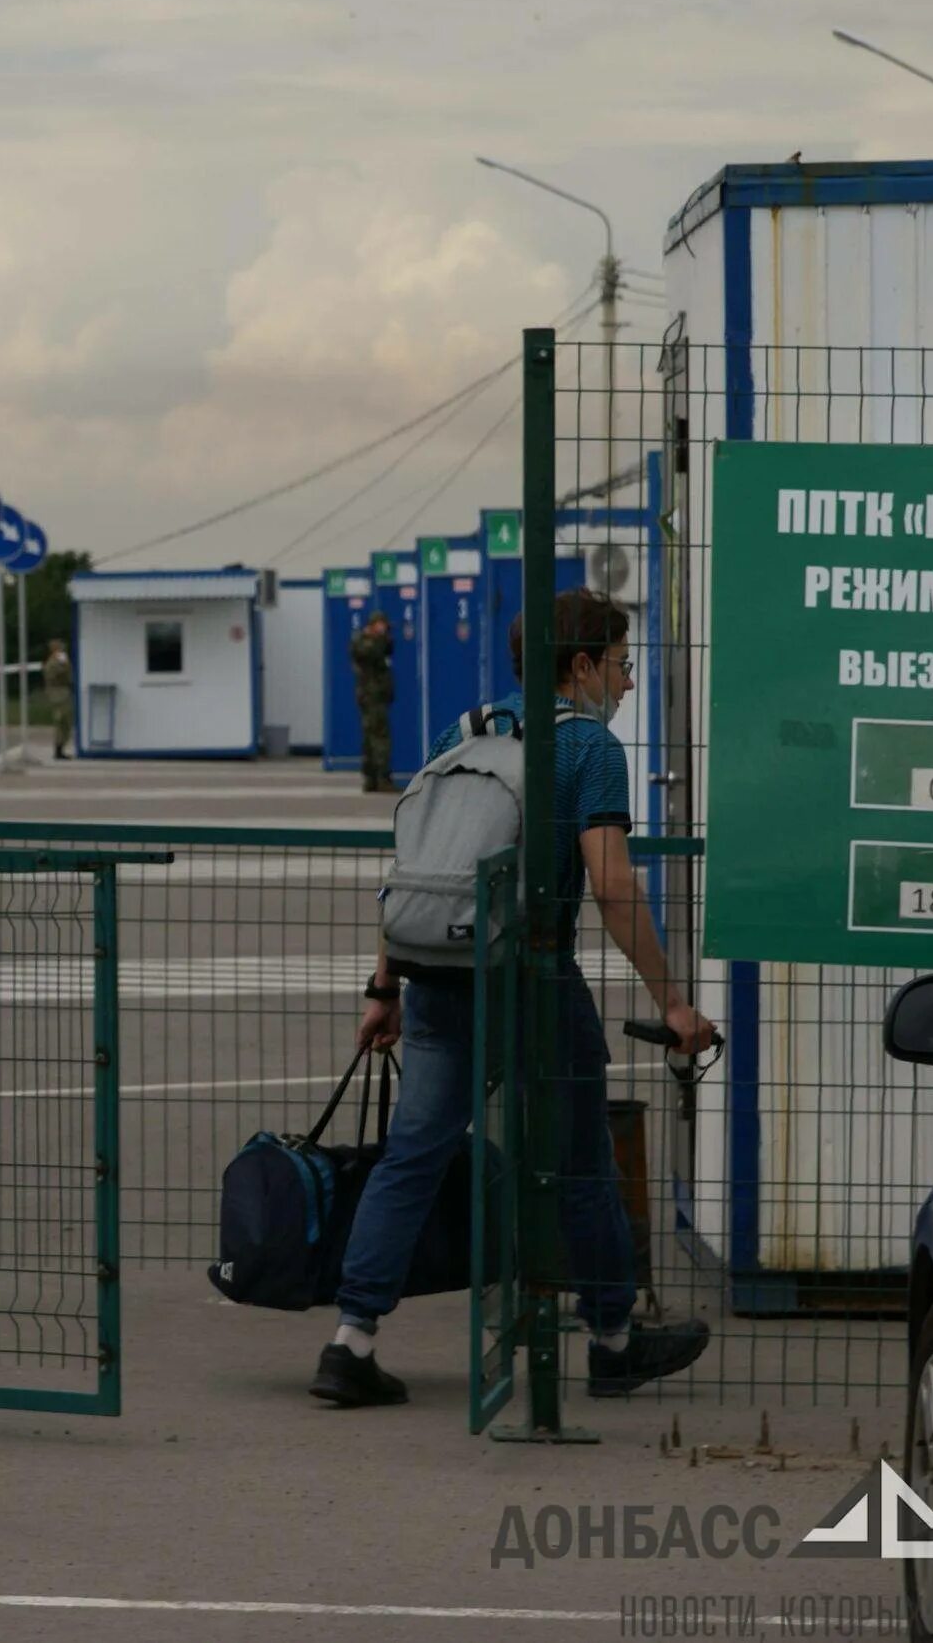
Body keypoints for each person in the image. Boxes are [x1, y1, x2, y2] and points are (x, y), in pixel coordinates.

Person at [312, 588, 717, 1407]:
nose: (627, 683)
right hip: (533, 978)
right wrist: (672, 1000)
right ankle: (611, 1338)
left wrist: (384, 987)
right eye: (619, 664)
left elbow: (417, 873)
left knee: (414, 1152)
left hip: (436, 980)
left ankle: (350, 1341)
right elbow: (610, 882)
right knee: (579, 1164)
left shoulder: (461, 733)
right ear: (580, 667)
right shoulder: (588, 752)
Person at [350, 612, 396, 792]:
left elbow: (389, 648)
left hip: (375, 696)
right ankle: (381, 778)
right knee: (379, 738)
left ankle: (371, 778)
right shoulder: (363, 642)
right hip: (372, 696)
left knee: (371, 737)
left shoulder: (373, 641)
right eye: (381, 625)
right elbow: (374, 653)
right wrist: (380, 637)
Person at [43, 638, 73, 759]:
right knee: (61, 721)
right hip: (58, 693)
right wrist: (64, 663)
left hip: (61, 692)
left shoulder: (55, 661)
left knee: (64, 722)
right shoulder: (54, 662)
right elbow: (62, 672)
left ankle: (60, 748)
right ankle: (58, 750)